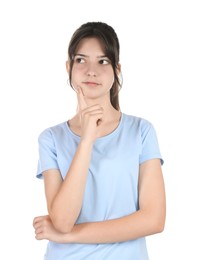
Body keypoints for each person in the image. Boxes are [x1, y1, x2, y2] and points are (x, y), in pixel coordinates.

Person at [33, 21, 166, 260]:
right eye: (81, 60)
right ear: (68, 68)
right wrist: (87, 140)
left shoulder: (141, 131)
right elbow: (62, 220)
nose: (91, 70)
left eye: (102, 61)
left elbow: (154, 219)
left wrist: (68, 236)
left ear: (117, 69)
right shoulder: (51, 139)